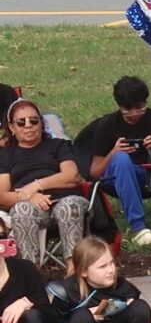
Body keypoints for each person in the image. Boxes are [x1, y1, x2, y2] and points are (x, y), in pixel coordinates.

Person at [72, 77, 151, 246]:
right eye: (127, 110)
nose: (134, 115)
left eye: (139, 108)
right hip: (119, 179)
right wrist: (114, 152)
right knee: (121, 159)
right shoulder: (108, 125)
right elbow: (94, 172)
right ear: (119, 106)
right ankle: (138, 228)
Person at [0, 99, 89, 267]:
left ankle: (74, 272)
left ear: (41, 123)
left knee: (70, 204)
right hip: (30, 207)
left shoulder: (58, 145)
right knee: (21, 210)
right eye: (21, 122)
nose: (28, 125)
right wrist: (28, 197)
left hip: (63, 201)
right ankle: (31, 275)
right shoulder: (5, 155)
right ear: (12, 128)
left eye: (34, 120)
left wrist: (36, 185)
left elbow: (72, 176)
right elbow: (2, 196)